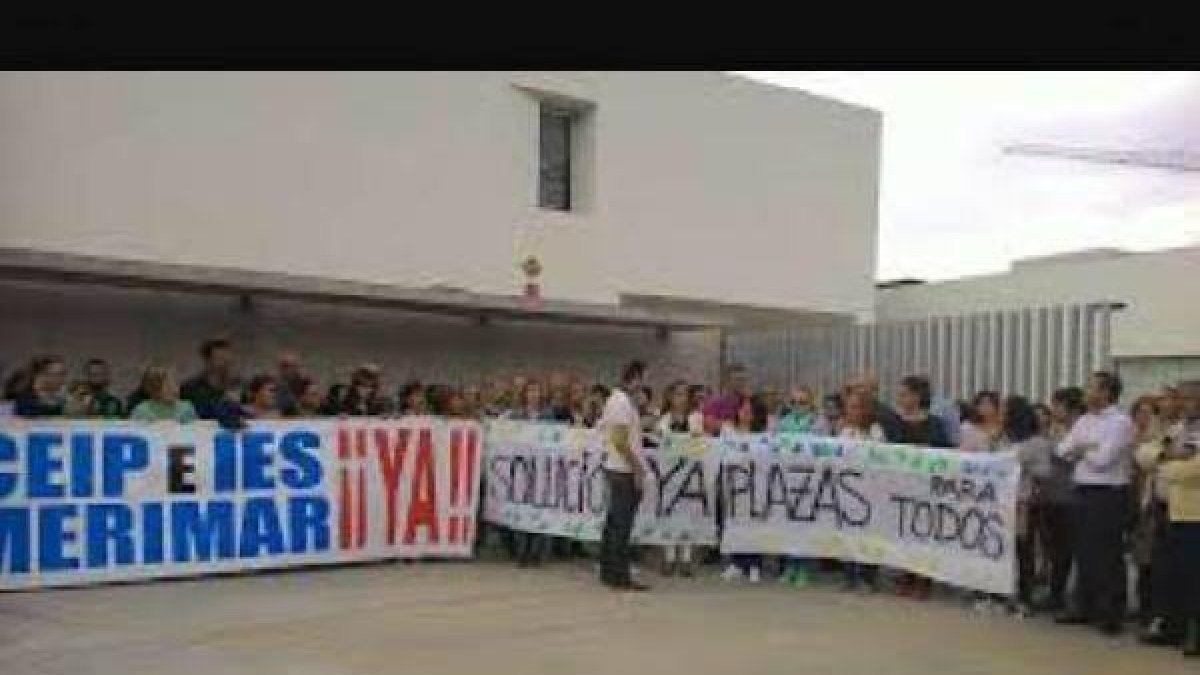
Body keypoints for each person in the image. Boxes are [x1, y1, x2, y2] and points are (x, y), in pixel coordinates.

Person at [1055, 371, 1135, 635]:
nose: (1086, 392)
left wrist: (1082, 450)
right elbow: (1062, 450)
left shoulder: (1120, 422)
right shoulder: (1085, 420)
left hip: (1108, 494)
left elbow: (1104, 461)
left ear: (1106, 392)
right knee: (1084, 551)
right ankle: (1084, 606)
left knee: (1107, 554)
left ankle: (1111, 612)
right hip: (1083, 491)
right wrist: (1087, 448)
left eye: (1091, 387)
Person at [1146, 380, 1200, 656]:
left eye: (1191, 398)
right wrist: (1168, 455)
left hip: (1194, 514)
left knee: (1194, 576)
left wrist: (1164, 465)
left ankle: (1195, 633)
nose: (1184, 404)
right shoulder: (1176, 430)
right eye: (1181, 398)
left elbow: (1192, 471)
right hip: (1167, 509)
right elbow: (1144, 456)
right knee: (1170, 574)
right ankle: (1172, 627)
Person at [891, 375, 953, 600]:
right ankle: (905, 575)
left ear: (917, 397)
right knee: (904, 532)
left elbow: (947, 449)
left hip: (928, 487)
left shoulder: (935, 422)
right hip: (902, 486)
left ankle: (923, 579)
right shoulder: (895, 421)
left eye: (905, 394)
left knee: (925, 533)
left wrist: (926, 450)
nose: (900, 398)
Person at [598, 360, 650, 591]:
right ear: (635, 379)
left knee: (614, 523)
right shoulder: (620, 403)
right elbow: (620, 441)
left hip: (618, 468)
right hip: (623, 470)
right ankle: (619, 575)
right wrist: (637, 468)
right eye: (642, 380)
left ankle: (609, 571)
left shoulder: (621, 401)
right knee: (621, 525)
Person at [1033, 386, 1086, 614]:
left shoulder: (1081, 430)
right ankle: (1056, 594)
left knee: (1071, 551)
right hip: (1050, 497)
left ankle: (1076, 597)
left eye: (1058, 405)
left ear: (1070, 407)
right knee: (1055, 551)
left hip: (1072, 497)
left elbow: (1071, 456)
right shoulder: (1052, 430)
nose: (1054, 409)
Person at [1003, 394, 1054, 616]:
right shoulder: (1004, 440)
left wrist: (1023, 465)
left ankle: (1025, 595)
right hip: (1002, 502)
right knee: (1006, 549)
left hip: (1024, 503)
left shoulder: (1037, 443)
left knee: (1024, 550)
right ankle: (1005, 591)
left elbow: (1045, 471)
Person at [839, 387, 885, 592]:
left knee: (869, 534)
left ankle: (867, 577)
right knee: (848, 532)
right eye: (849, 407)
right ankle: (849, 575)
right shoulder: (844, 430)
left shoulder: (875, 430)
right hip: (847, 487)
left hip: (869, 488)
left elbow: (880, 455)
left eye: (856, 407)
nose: (852, 411)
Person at [721, 395, 768, 583]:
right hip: (734, 485)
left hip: (756, 485)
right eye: (743, 410)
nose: (746, 414)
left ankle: (755, 564)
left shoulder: (763, 435)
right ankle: (737, 563)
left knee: (755, 524)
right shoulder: (728, 431)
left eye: (750, 412)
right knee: (735, 524)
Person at [509, 379, 557, 567]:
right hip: (521, 470)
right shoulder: (516, 415)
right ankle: (521, 552)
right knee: (521, 510)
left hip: (541, 470)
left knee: (538, 510)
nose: (534, 395)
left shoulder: (548, 416)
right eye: (530, 391)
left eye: (537, 391)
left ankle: (536, 552)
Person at [657, 380, 697, 577]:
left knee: (687, 515)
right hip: (668, 474)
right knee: (669, 514)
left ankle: (686, 558)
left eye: (684, 394)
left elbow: (698, 441)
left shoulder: (695, 418)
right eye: (677, 394)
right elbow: (662, 441)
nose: (680, 399)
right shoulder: (663, 419)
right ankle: (669, 557)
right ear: (670, 398)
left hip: (690, 473)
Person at [181, 337, 237, 421]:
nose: (226, 364)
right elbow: (196, 415)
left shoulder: (235, 385)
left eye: (228, 360)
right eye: (221, 359)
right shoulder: (191, 387)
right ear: (208, 361)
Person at [129, 366, 198, 423]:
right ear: (154, 389)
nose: (175, 390)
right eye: (168, 387)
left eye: (176, 385)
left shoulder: (186, 409)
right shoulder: (141, 412)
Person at [703, 364, 750, 436]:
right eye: (738, 380)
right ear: (727, 381)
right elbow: (708, 425)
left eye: (743, 380)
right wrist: (728, 425)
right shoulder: (715, 401)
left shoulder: (747, 401)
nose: (741, 383)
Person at [275, 351, 306, 416]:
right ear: (280, 368)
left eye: (294, 366)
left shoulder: (307, 384)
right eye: (285, 366)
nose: (290, 369)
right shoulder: (272, 386)